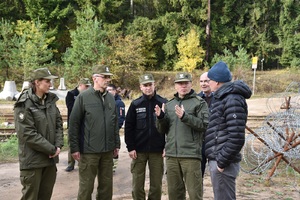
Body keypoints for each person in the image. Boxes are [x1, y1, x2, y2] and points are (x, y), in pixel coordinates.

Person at [68, 65, 120, 200]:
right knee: (86, 187)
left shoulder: (110, 98)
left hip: (107, 151)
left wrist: (116, 144)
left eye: (108, 77)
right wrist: (74, 148)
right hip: (89, 151)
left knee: (106, 187)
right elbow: (74, 124)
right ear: (95, 78)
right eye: (104, 77)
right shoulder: (83, 97)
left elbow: (114, 123)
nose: (107, 80)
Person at [155, 72, 209, 200]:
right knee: (174, 194)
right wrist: (161, 117)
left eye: (186, 83)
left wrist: (185, 117)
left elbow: (204, 125)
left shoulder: (199, 103)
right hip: (172, 156)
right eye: (180, 83)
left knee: (194, 194)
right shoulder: (169, 104)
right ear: (175, 86)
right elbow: (162, 130)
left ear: (191, 84)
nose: (183, 86)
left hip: (190, 155)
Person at [14, 67, 64, 200]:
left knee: (45, 196)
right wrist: (51, 148)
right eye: (47, 81)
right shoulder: (24, 103)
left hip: (50, 160)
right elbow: (27, 133)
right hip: (33, 161)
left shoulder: (50, 101)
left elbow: (58, 124)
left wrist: (58, 145)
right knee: (31, 197)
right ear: (37, 82)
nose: (50, 84)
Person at [205, 61, 252, 200]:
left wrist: (221, 162)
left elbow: (236, 137)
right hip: (219, 159)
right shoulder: (222, 97)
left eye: (210, 80)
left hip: (224, 162)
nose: (208, 83)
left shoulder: (232, 99)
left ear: (218, 82)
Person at [125, 73, 167, 200]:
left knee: (156, 186)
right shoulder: (135, 104)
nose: (148, 88)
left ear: (154, 85)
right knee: (137, 185)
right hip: (139, 151)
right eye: (145, 85)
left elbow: (169, 127)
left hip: (157, 151)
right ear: (141, 87)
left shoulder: (163, 103)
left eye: (150, 85)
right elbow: (129, 127)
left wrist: (167, 146)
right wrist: (130, 147)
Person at [65, 78, 91, 172]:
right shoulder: (71, 94)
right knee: (72, 143)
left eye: (88, 86)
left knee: (83, 143)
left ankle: (81, 163)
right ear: (80, 85)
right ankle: (70, 163)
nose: (87, 88)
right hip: (73, 123)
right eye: (86, 86)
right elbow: (71, 107)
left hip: (84, 123)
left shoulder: (88, 95)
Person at [107, 83, 125, 172]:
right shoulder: (105, 101)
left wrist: (115, 128)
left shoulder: (119, 103)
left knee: (115, 149)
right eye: (107, 90)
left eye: (110, 90)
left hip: (114, 130)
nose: (108, 92)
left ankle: (113, 167)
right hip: (105, 131)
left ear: (114, 91)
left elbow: (121, 118)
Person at [198, 72, 213, 177]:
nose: (203, 84)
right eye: (201, 81)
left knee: (216, 175)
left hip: (214, 142)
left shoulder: (219, 98)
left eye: (206, 81)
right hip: (200, 142)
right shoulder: (196, 99)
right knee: (198, 175)